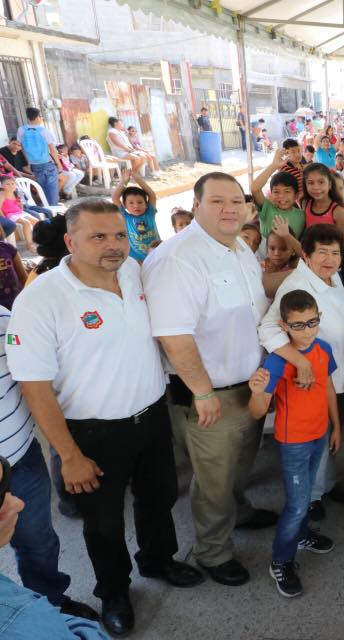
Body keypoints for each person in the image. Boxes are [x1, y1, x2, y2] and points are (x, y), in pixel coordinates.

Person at [7, 200, 204, 636]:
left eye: (119, 234)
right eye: (98, 237)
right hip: (92, 433)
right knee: (104, 522)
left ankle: (157, 560)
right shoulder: (41, 299)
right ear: (69, 241)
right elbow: (34, 386)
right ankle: (114, 590)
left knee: (159, 498)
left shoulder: (135, 271)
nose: (113, 246)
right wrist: (68, 455)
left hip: (151, 417)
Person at [142, 172, 276, 589]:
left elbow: (252, 304)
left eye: (237, 200)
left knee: (238, 465)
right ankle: (213, 551)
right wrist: (201, 390)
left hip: (247, 386)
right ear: (195, 205)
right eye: (217, 201)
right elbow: (173, 334)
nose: (230, 208)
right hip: (209, 395)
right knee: (214, 480)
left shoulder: (238, 249)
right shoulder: (178, 258)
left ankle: (240, 509)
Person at [0, 301, 100, 625]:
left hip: (20, 458)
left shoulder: (4, 319)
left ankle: (52, 605)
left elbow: (33, 382)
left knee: (38, 541)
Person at [258, 223, 344, 517]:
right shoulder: (296, 284)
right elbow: (267, 328)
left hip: (343, 373)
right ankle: (312, 497)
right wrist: (300, 361)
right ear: (306, 254)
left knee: (332, 434)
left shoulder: (330, 277)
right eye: (323, 252)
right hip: (316, 377)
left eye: (336, 252)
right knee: (317, 436)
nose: (330, 259)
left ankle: (326, 485)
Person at [248, 289, 339, 598]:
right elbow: (258, 411)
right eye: (298, 325)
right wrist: (258, 392)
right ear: (284, 326)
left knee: (307, 496)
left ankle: (300, 536)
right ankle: (281, 561)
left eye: (311, 322)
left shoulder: (324, 349)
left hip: (320, 434)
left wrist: (336, 425)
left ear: (319, 318)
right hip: (294, 443)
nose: (306, 330)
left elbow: (327, 389)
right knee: (298, 504)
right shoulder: (277, 360)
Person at [0, 454, 113, 639]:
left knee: (41, 543)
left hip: (23, 451)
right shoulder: (20, 620)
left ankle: (55, 601)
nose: (19, 503)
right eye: (1, 495)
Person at [110, 168, 158, 263]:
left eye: (140, 202)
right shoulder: (125, 217)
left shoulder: (150, 213)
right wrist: (124, 181)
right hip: (137, 259)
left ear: (146, 203)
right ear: (124, 205)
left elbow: (152, 195)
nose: (136, 206)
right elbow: (115, 197)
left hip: (156, 253)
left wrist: (138, 180)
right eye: (131, 203)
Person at [16, 108, 59, 206]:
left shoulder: (21, 130)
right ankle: (53, 210)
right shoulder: (44, 131)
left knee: (42, 188)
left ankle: (47, 208)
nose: (41, 118)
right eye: (40, 116)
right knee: (52, 189)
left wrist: (28, 162)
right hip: (46, 163)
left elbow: (21, 147)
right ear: (37, 117)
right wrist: (59, 164)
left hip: (33, 164)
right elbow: (52, 150)